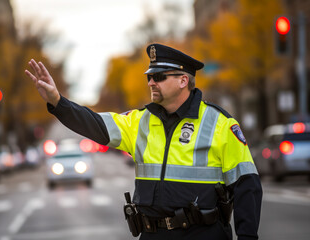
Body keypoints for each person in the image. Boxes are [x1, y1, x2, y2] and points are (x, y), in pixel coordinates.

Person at [25, 43, 262, 240]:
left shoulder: (219, 124)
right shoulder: (140, 121)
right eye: (149, 77)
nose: (150, 83)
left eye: (158, 77)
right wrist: (58, 101)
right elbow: (94, 123)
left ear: (182, 80)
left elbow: (247, 185)